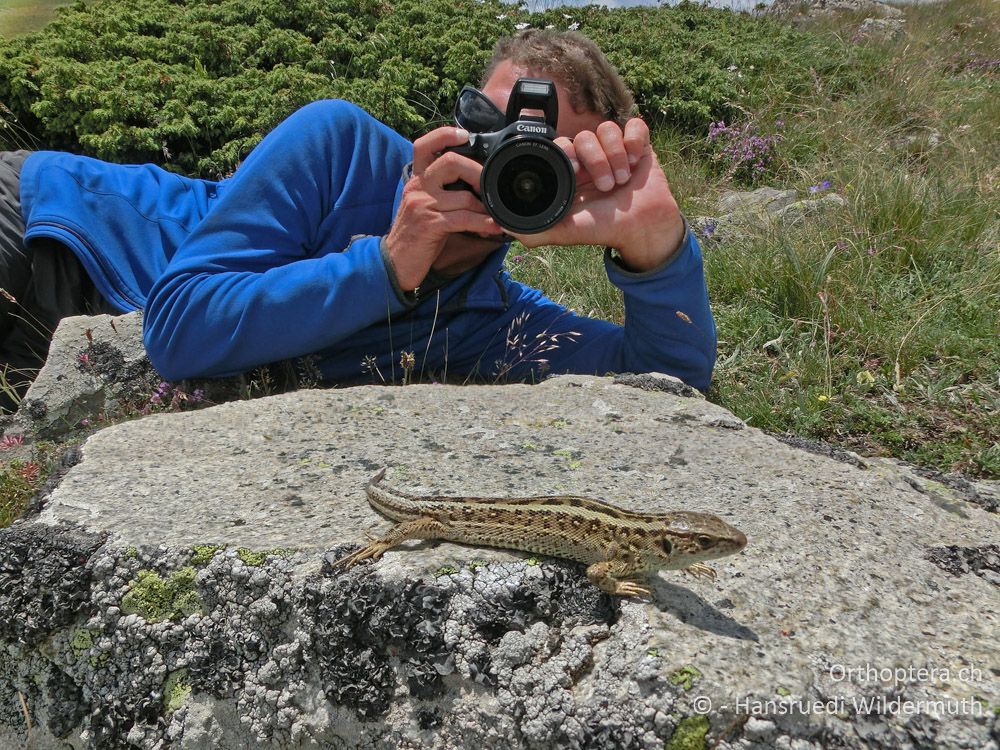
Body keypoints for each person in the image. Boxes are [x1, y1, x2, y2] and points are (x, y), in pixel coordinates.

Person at [0, 30, 715, 409]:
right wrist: (384, 261)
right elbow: (178, 328)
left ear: (578, 186)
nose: (509, 165)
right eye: (489, 126)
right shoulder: (338, 144)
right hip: (57, 223)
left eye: (547, 160)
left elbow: (668, 383)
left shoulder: (491, 321)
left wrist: (657, 250)